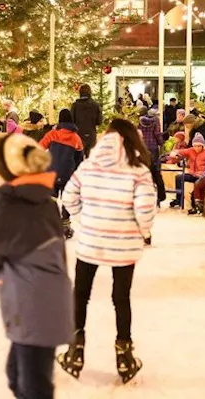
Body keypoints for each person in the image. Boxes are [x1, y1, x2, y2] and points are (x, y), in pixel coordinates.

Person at [0, 133, 74, 399]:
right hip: (52, 303)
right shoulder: (47, 203)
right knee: (19, 375)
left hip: (30, 308)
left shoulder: (3, 208)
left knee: (32, 386)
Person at [59, 118, 155, 384]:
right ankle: (124, 357)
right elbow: (145, 208)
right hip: (123, 244)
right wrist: (141, 230)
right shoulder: (138, 170)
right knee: (120, 298)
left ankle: (74, 351)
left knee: (80, 295)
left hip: (91, 242)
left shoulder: (88, 166)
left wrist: (85, 218)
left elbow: (68, 197)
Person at [39, 108, 85, 237]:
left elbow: (39, 147)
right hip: (68, 175)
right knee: (67, 199)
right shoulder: (76, 138)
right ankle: (65, 226)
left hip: (51, 172)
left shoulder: (52, 134)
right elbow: (79, 159)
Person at [168, 132, 205, 209]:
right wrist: (174, 152)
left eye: (199, 146)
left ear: (203, 146)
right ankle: (179, 199)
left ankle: (196, 203)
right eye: (195, 146)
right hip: (192, 174)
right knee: (179, 177)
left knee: (198, 184)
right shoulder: (191, 150)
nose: (197, 148)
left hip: (201, 176)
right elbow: (181, 151)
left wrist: (203, 174)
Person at [138, 108, 167, 206]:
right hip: (153, 148)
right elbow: (157, 134)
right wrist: (161, 143)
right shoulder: (156, 121)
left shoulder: (140, 121)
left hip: (142, 147)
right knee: (156, 171)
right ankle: (160, 195)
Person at [71, 84, 103, 157]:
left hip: (78, 135)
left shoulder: (75, 105)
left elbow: (71, 121)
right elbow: (99, 122)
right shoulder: (96, 105)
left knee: (78, 159)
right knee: (91, 160)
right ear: (90, 92)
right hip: (91, 135)